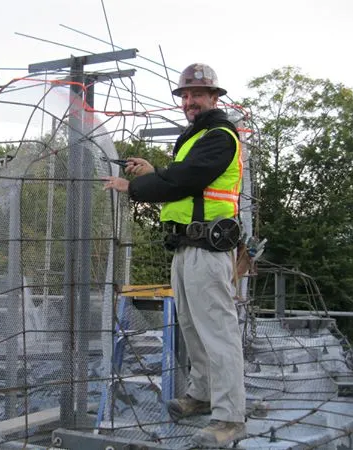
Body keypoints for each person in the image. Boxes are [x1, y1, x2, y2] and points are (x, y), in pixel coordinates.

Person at [103, 63, 246, 447]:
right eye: (184, 95)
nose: (188, 101)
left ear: (214, 97)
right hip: (186, 248)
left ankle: (230, 416)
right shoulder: (194, 137)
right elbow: (183, 180)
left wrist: (133, 186)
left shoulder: (219, 136)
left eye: (196, 94)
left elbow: (184, 181)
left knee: (218, 331)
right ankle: (202, 395)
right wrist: (153, 171)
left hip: (208, 249)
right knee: (193, 328)